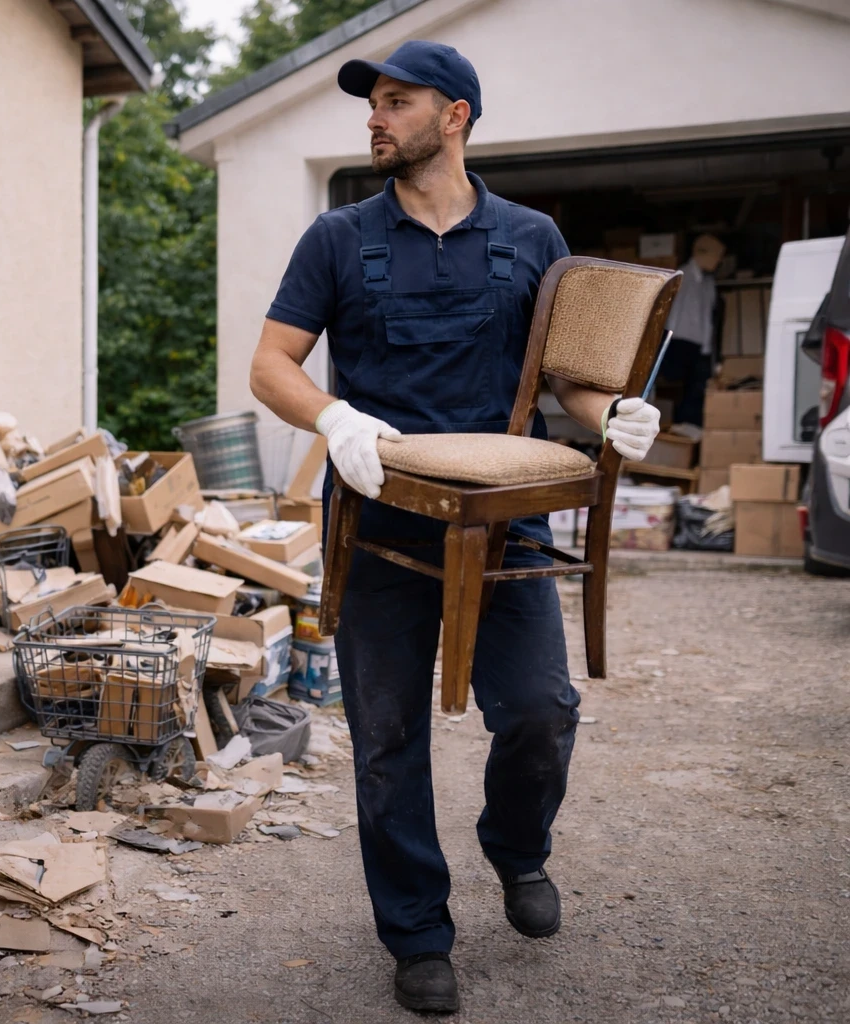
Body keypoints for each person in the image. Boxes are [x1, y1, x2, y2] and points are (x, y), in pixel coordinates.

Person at [248, 42, 661, 1014]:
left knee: (541, 709)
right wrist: (332, 417)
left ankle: (517, 848)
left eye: (397, 102)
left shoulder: (531, 237)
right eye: (374, 104)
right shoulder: (340, 239)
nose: (375, 119)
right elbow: (272, 364)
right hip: (381, 520)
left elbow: (568, 374)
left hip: (502, 522)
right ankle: (418, 929)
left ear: (458, 115)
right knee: (387, 737)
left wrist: (612, 415)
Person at [661, 233, 727, 428]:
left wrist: (707, 348)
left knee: (697, 392)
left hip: (699, 346)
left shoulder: (708, 283)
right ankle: (679, 431)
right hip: (678, 343)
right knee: (679, 391)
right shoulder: (682, 276)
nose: (720, 261)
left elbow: (707, 318)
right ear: (702, 254)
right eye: (717, 255)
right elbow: (670, 313)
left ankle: (689, 432)